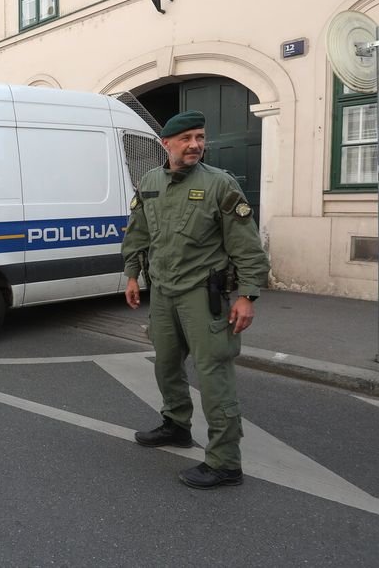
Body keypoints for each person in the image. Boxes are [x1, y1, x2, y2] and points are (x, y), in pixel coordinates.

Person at [121, 110, 269, 490]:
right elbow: (138, 232)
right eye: (186, 138)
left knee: (213, 374)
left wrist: (248, 295)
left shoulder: (220, 185)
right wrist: (132, 275)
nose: (195, 145)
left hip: (205, 297)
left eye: (200, 137)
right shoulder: (150, 181)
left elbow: (247, 247)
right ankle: (176, 425)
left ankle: (224, 462)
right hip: (163, 293)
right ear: (165, 144)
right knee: (166, 365)